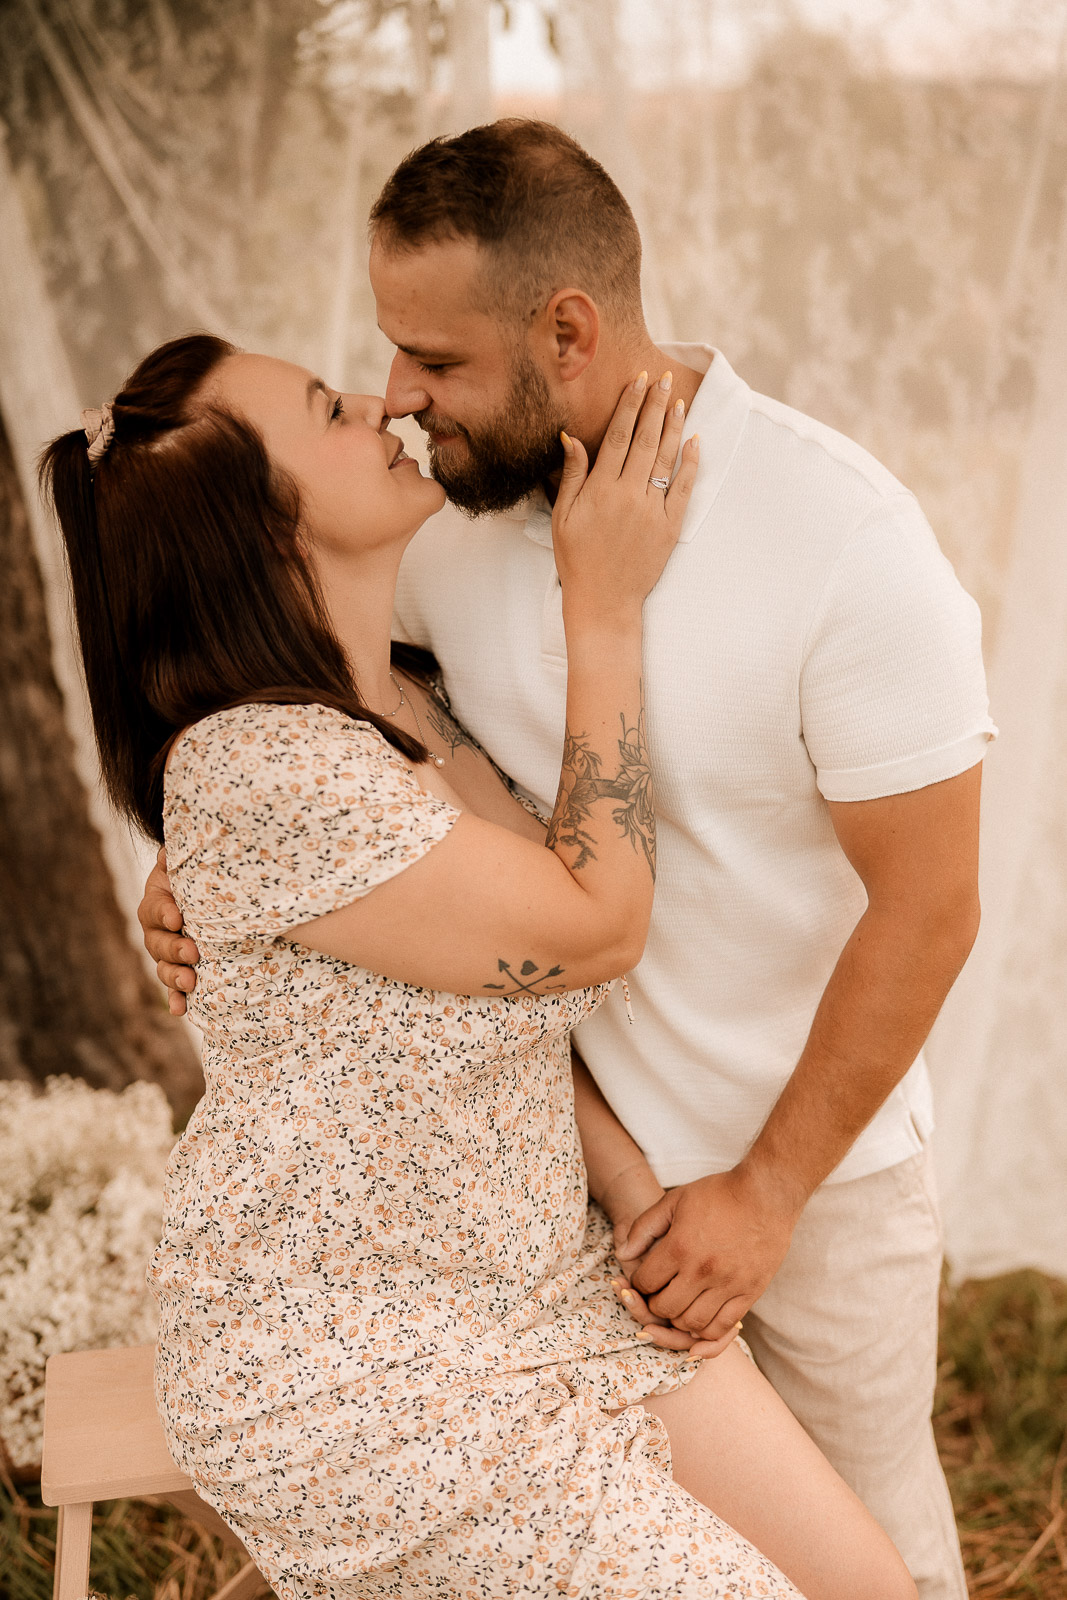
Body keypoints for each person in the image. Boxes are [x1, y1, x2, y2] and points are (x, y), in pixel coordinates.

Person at [142, 123, 993, 1598]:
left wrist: (768, 1194)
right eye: (390, 351)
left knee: (878, 1561)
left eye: (437, 358)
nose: (400, 396)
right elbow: (325, 727)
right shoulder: (439, 526)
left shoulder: (842, 544)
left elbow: (934, 908)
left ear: (569, 332)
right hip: (551, 1209)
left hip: (808, 1179)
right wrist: (191, 877)